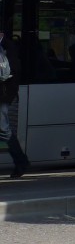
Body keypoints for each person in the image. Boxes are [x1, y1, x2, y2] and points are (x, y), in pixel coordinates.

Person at [0, 30, 30, 179]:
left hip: (2, 96)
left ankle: (21, 161)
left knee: (4, 130)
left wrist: (8, 96)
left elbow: (12, 72)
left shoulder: (7, 47)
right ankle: (21, 161)